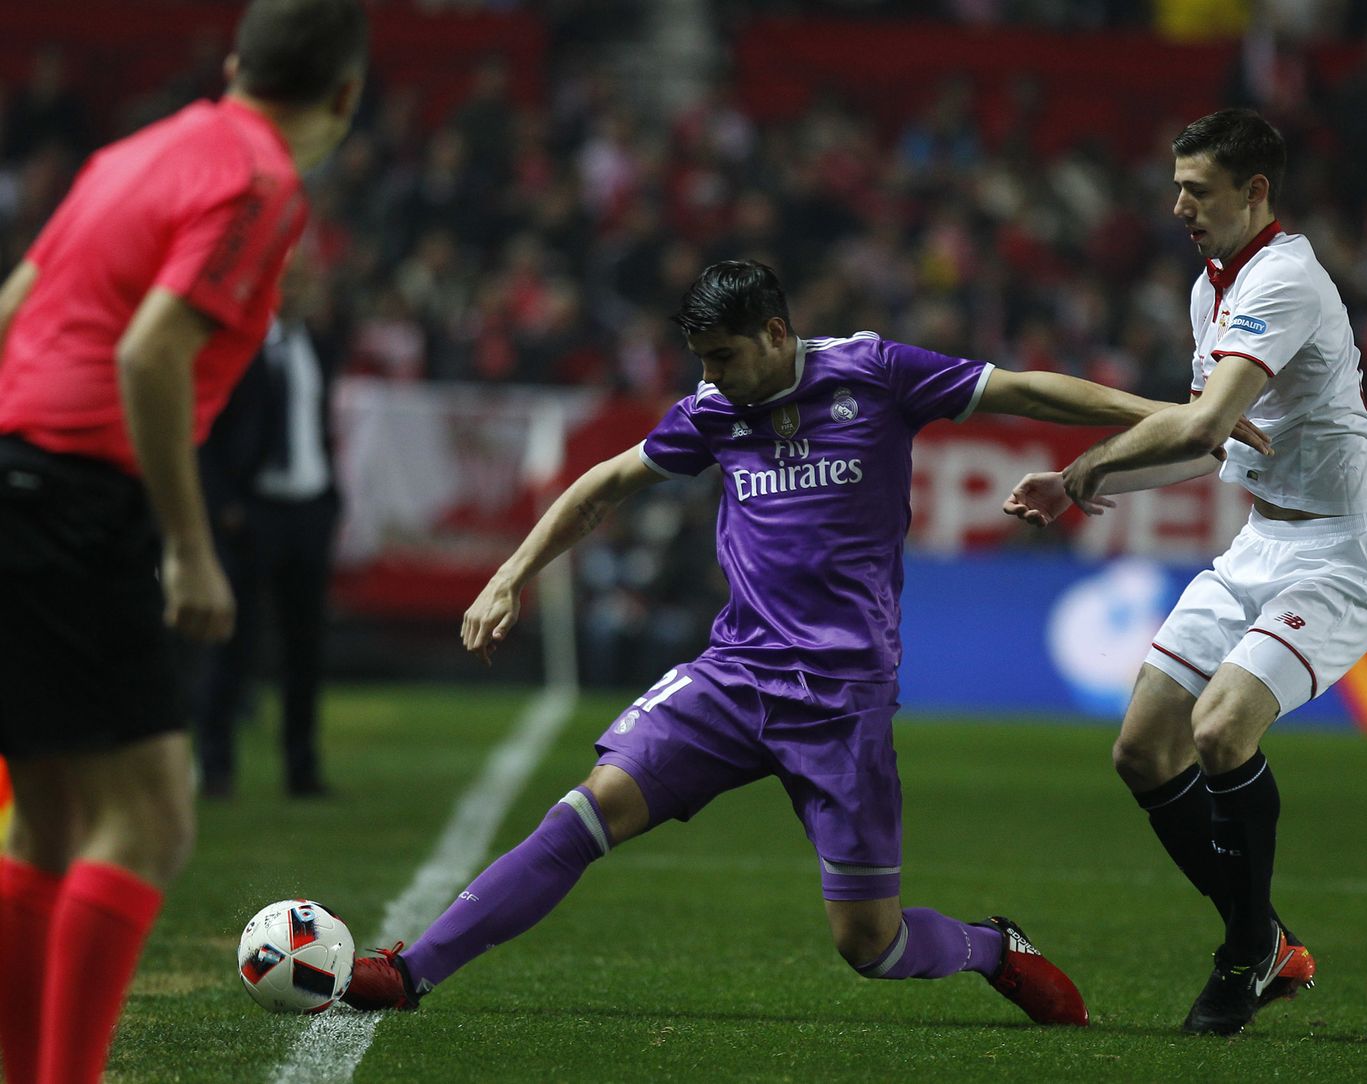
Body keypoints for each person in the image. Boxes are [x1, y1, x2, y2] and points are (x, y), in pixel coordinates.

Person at [341, 259, 1269, 1021]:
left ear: (778, 335)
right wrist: (509, 576)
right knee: (583, 815)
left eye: (726, 357)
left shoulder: (874, 371)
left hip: (841, 702)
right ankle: (408, 972)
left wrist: (1174, 419)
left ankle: (991, 946)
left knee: (873, 946)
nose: (713, 377)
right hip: (733, 677)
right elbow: (603, 484)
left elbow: (1026, 390)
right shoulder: (714, 410)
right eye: (702, 359)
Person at [0, 3, 366, 1081]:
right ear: (344, 97)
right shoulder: (260, 184)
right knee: (152, 817)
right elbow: (151, 355)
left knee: (49, 816)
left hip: (14, 471)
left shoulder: (131, 154)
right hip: (75, 495)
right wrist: (188, 545)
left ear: (233, 66)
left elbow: (16, 302)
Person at [1004, 109, 1367, 1036]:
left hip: (1341, 554)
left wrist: (1085, 468)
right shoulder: (1210, 290)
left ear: (1254, 191)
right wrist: (1080, 489)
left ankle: (1244, 953)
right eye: (1177, 184)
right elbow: (1209, 448)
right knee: (1143, 748)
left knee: (1221, 727)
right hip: (1261, 545)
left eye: (1197, 188)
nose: (1177, 203)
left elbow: (1194, 423)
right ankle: (1264, 940)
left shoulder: (1286, 279)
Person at [195, 254, 342, 800]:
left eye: (306, 279)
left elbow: (319, 427)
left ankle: (302, 770)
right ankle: (215, 768)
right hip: (254, 511)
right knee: (233, 642)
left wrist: (330, 501)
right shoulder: (237, 346)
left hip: (308, 510)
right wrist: (226, 505)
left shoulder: (319, 348)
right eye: (293, 280)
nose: (305, 289)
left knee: (306, 648)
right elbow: (205, 431)